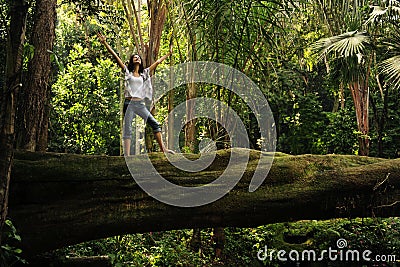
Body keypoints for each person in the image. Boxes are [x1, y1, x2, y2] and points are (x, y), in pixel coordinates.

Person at [97, 32, 174, 155]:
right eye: (135, 57)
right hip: (129, 103)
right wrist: (105, 42)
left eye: (138, 57)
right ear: (132, 61)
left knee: (154, 123)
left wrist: (168, 54)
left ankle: (164, 149)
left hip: (140, 104)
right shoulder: (128, 73)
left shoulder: (144, 74)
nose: (137, 58)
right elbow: (116, 57)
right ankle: (126, 155)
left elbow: (158, 62)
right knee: (128, 129)